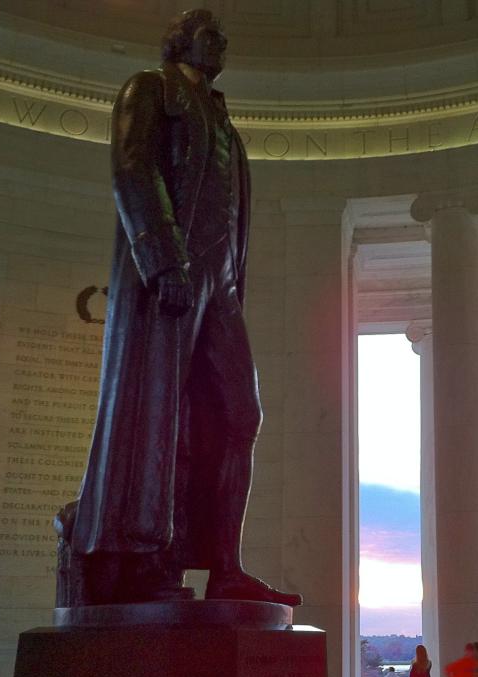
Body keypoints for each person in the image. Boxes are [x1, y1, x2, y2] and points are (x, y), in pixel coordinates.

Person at [54, 9, 300, 609]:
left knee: (240, 415)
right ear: (181, 42)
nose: (222, 45)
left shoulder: (224, 123)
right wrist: (163, 260)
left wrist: (228, 284)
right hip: (170, 274)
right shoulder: (150, 91)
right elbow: (133, 170)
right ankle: (147, 558)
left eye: (225, 37)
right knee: (161, 420)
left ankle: (226, 567)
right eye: (211, 35)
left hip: (220, 287)